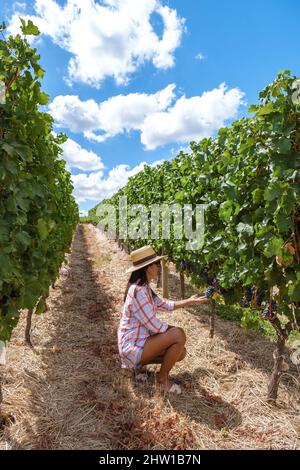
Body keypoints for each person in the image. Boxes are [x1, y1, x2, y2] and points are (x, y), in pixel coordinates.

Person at [117, 245, 209, 394]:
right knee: (179, 335)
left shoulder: (144, 287)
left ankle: (139, 367)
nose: (159, 267)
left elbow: (164, 305)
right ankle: (162, 381)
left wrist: (189, 301)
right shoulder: (138, 291)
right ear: (148, 268)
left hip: (138, 343)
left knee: (180, 352)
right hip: (132, 347)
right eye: (156, 264)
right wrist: (175, 332)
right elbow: (153, 325)